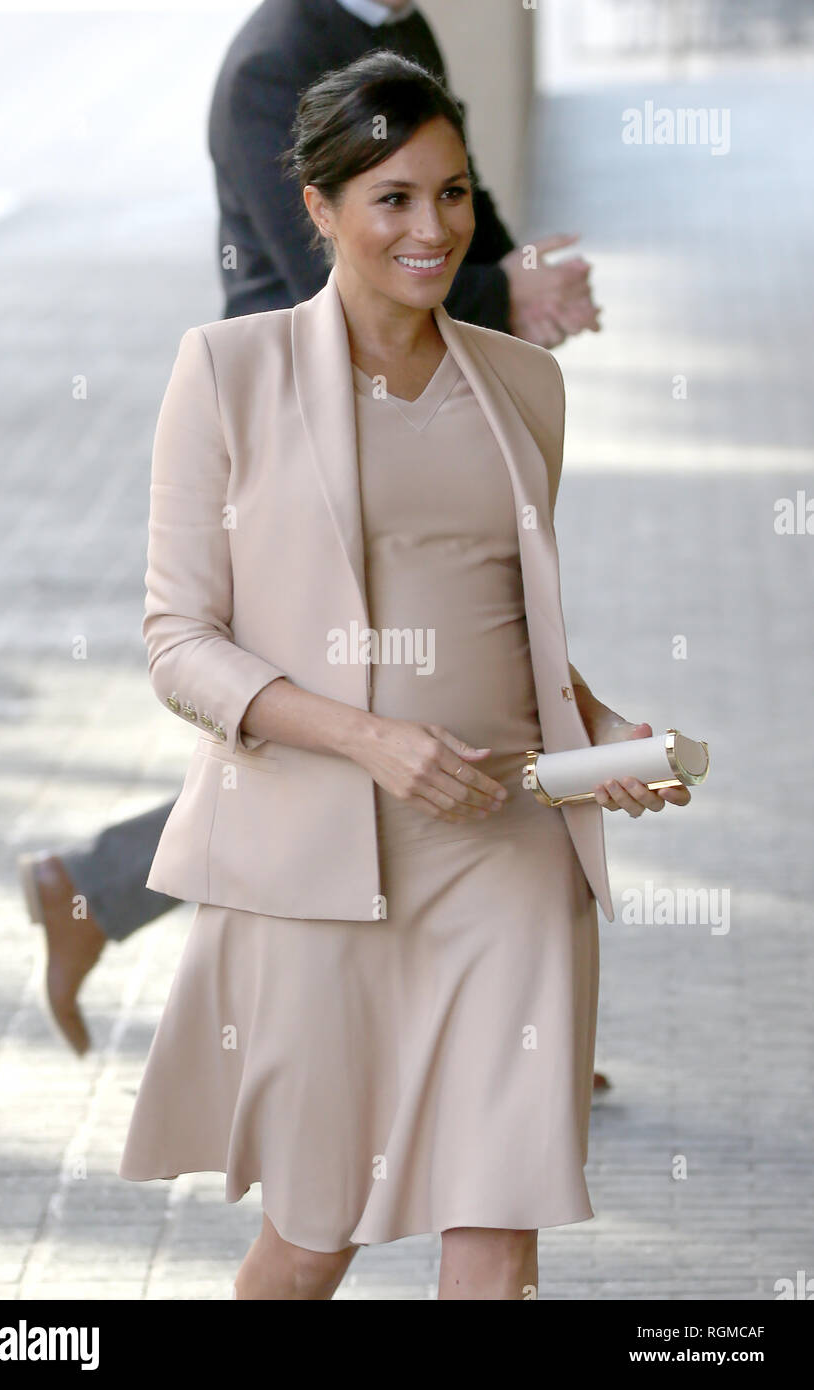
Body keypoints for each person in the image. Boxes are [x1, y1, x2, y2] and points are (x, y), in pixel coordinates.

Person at [117, 52, 691, 1301]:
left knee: (498, 1210)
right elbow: (179, 644)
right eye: (391, 197)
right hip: (324, 857)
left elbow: (508, 609)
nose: (430, 228)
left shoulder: (523, 384)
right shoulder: (228, 372)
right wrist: (369, 740)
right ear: (317, 207)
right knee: (319, 1228)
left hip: (510, 842)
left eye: (451, 193)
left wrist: (602, 729)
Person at [18, 0, 600, 1059]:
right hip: (300, 459)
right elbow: (324, 277)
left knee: (382, 724)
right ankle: (98, 891)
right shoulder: (270, 63)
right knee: (337, 737)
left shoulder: (399, 29)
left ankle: (497, 991)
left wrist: (521, 285)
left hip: (406, 426)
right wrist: (499, 295)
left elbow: (448, 195)